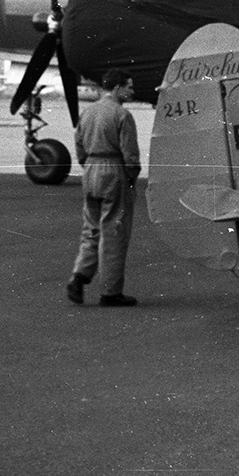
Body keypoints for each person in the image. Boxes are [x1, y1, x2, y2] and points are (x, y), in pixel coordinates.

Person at [66, 69, 141, 307]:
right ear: (117, 88)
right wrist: (131, 178)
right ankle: (110, 291)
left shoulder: (87, 112)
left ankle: (80, 275)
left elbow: (78, 145)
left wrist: (88, 166)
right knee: (114, 232)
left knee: (91, 228)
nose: (132, 91)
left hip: (90, 170)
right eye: (128, 86)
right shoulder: (122, 115)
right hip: (113, 170)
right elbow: (130, 155)